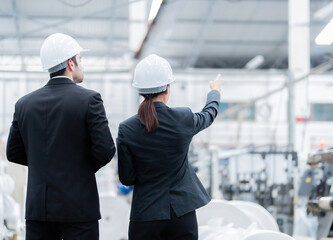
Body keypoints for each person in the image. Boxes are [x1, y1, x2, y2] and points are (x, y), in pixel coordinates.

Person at [6, 33, 115, 240]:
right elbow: (106, 150)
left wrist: (44, 165)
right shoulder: (89, 100)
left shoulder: (24, 104)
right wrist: (78, 170)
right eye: (80, 59)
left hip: (39, 209)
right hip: (79, 208)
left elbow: (13, 153)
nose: (82, 64)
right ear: (70, 63)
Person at [117, 54, 221, 240]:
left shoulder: (127, 129)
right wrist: (215, 92)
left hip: (145, 215)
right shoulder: (183, 118)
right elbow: (209, 114)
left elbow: (127, 177)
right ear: (167, 88)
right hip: (181, 214)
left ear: (139, 91)